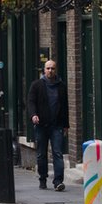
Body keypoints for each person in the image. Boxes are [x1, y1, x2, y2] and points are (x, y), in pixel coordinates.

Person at [27, 59, 69, 191]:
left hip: (57, 125)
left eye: (53, 68)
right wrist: (33, 115)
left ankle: (58, 182)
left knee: (57, 153)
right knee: (41, 154)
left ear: (55, 70)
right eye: (48, 68)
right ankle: (43, 179)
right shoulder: (37, 85)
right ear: (44, 70)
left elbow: (65, 107)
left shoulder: (61, 86)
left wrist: (66, 125)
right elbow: (31, 102)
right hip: (41, 126)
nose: (50, 71)